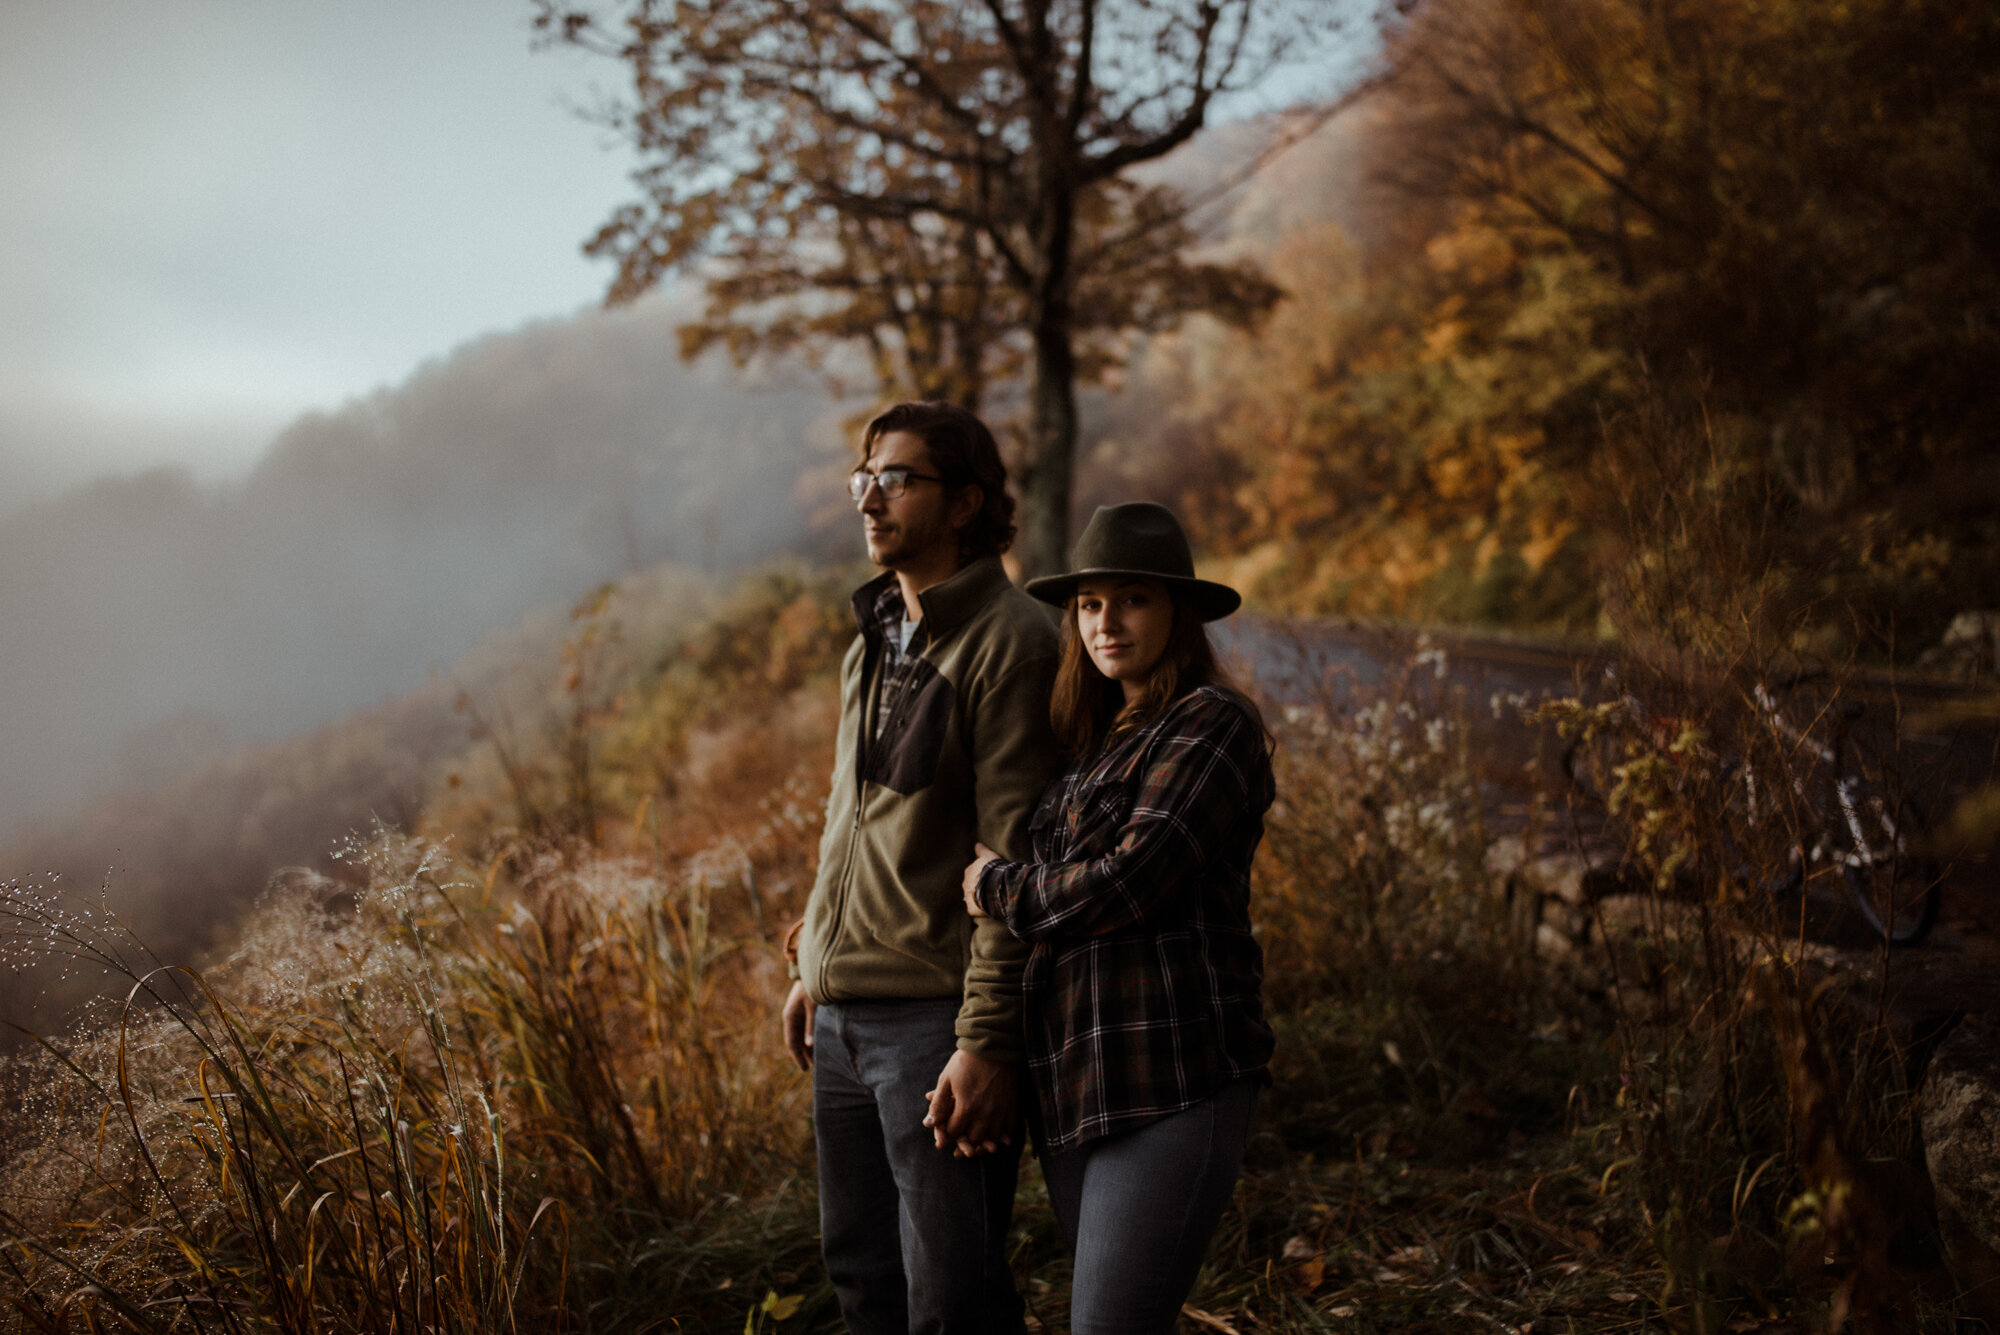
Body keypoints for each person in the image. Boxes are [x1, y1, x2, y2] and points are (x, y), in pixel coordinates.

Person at [959, 501, 1275, 1335]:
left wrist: (1000, 887)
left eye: (1131, 598)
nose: (1107, 621)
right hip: (1077, 1080)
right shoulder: (1087, 748)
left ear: (1177, 608)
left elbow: (1127, 883)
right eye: (1091, 604)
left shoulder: (1211, 722)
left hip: (1174, 1071)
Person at [782, 402, 1062, 1335]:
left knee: (953, 1301)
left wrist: (986, 1042)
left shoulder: (1011, 640)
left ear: (966, 503)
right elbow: (849, 821)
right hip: (844, 1018)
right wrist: (811, 963)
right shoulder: (874, 635)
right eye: (865, 477)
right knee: (863, 1281)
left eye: (898, 478)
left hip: (933, 1027)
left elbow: (1015, 857)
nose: (871, 498)